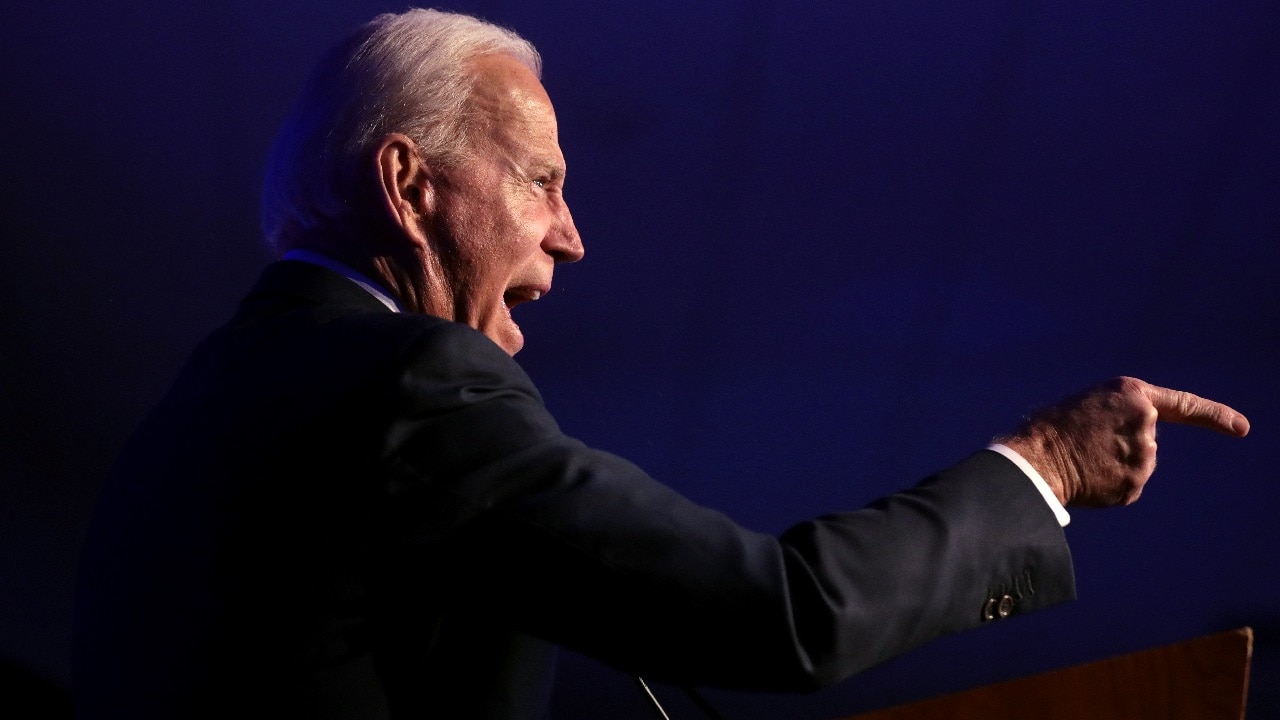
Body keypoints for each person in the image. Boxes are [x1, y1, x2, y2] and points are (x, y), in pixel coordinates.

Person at [71, 8, 1249, 720]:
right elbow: (784, 615)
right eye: (541, 180)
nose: (572, 234)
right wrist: (1038, 465)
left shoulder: (195, 419)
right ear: (408, 184)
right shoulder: (399, 381)